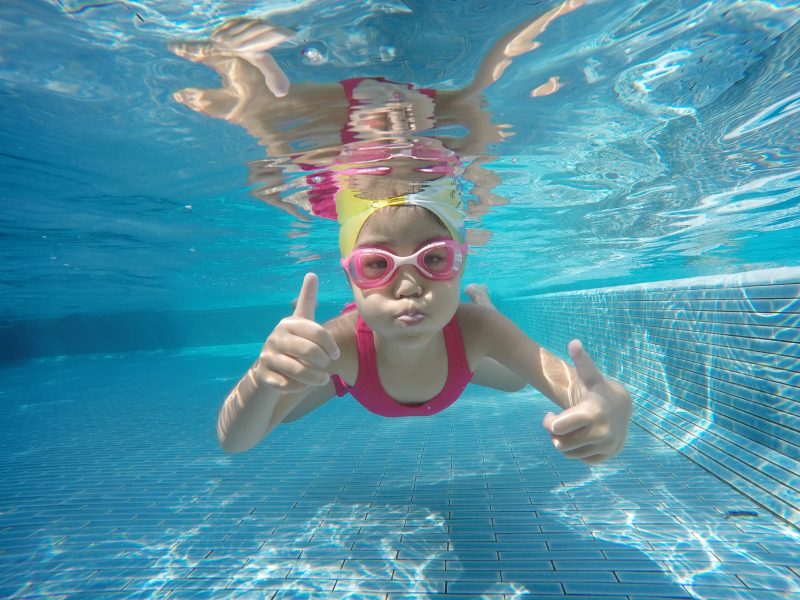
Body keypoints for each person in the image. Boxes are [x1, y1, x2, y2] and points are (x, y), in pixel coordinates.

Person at [217, 182, 633, 464]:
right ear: (351, 280)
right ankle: (292, 365)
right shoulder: (337, 343)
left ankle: (483, 302)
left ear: (461, 263)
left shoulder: (477, 328)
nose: (410, 287)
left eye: (433, 258)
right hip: (355, 368)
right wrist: (262, 375)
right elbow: (235, 442)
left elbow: (563, 381)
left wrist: (608, 402)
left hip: (457, 347)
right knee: (285, 402)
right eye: (377, 265)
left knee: (515, 380)